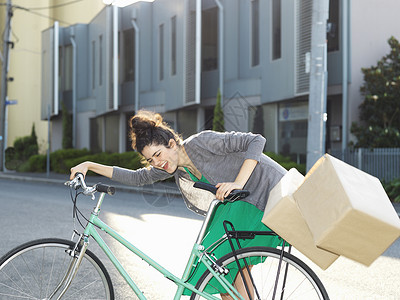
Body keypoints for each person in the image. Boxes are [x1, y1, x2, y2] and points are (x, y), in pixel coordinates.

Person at [70, 110, 287, 299]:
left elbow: (256, 140)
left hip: (266, 193)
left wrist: (238, 182)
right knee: (223, 270)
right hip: (244, 203)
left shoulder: (201, 143)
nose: (157, 163)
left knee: (218, 265)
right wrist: (89, 165)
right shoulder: (172, 166)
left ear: (172, 144)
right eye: (151, 160)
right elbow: (137, 178)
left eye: (158, 154)